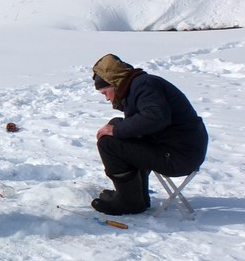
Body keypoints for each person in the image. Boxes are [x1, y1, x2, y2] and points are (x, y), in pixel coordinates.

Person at [89, 54, 208, 216]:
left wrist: (115, 131)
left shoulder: (144, 86)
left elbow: (156, 117)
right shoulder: (139, 85)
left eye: (105, 92)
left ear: (114, 83)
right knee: (117, 125)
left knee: (108, 143)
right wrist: (116, 128)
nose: (107, 98)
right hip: (178, 149)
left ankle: (129, 202)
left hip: (179, 157)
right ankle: (136, 195)